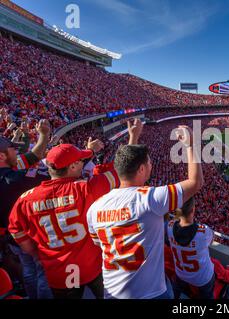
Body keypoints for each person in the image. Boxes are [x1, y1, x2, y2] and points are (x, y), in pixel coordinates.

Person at [8, 119, 142, 299]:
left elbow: (16, 231)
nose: (83, 163)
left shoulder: (26, 199)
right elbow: (123, 170)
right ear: (72, 166)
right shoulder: (86, 188)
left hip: (59, 272)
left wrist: (35, 253)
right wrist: (133, 137)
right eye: (80, 161)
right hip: (91, 266)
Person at [86, 125, 204, 299]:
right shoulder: (149, 198)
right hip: (150, 293)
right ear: (141, 169)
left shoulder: (95, 207)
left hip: (112, 292)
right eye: (149, 162)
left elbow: (98, 243)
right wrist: (190, 145)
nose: (151, 165)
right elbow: (195, 182)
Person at [0, 120, 52, 299]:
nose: (17, 150)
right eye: (12, 149)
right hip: (27, 235)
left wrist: (43, 135)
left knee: (29, 270)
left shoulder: (12, 169)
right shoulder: (15, 179)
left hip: (13, 240)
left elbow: (34, 156)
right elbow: (53, 176)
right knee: (43, 272)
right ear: (2, 157)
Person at [167, 197, 216, 299]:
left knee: (175, 289)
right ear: (193, 210)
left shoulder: (169, 227)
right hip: (202, 278)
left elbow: (176, 223)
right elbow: (211, 240)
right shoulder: (203, 231)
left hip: (181, 273)